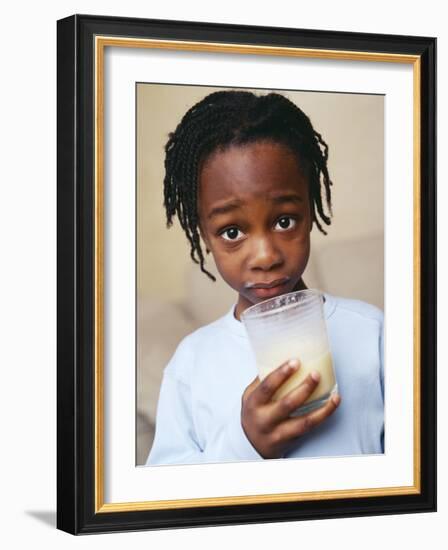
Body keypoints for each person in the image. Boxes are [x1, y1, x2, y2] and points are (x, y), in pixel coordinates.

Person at [146, 90, 384, 466]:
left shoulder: (372, 331)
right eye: (232, 232)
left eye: (284, 221)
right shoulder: (192, 363)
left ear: (310, 208)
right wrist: (247, 445)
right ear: (204, 234)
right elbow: (167, 492)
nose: (266, 256)